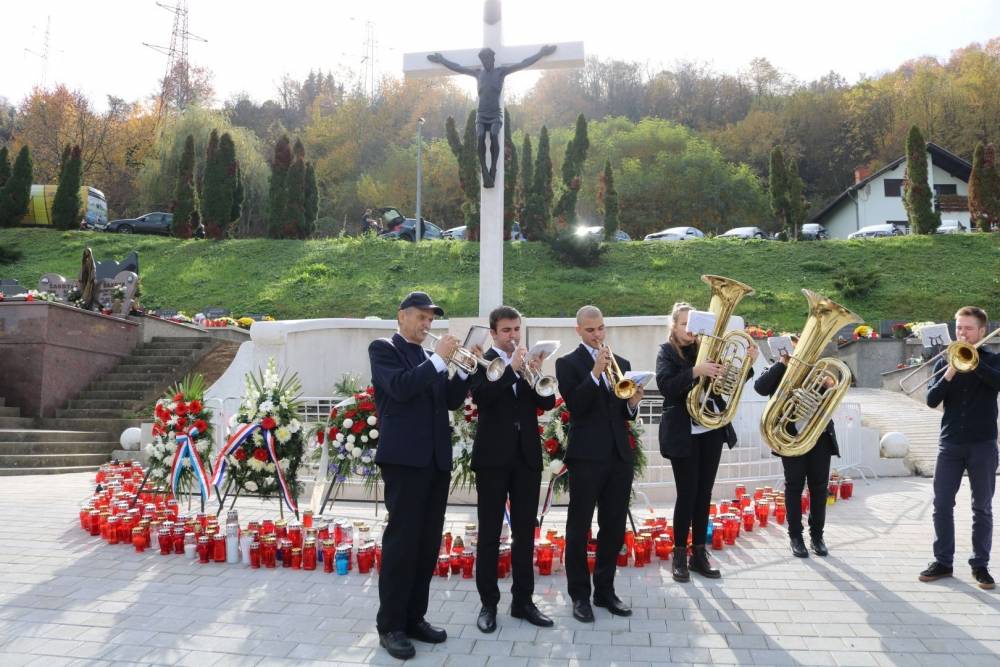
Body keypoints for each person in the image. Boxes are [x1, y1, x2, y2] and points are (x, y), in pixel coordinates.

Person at [369, 291, 475, 659]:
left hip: (435, 460)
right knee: (402, 543)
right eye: (421, 317)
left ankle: (415, 617)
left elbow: (449, 400)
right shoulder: (384, 349)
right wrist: (439, 359)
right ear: (401, 316)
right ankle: (391, 625)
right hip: (404, 459)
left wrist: (462, 369)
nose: (427, 324)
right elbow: (399, 389)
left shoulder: (430, 358)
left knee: (428, 543)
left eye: (431, 320)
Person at [469, 306, 556, 633]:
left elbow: (547, 404)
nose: (513, 336)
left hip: (527, 458)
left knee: (524, 535)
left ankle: (523, 601)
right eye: (506, 330)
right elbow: (481, 397)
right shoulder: (481, 359)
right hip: (493, 458)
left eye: (516, 329)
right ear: (494, 333)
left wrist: (535, 371)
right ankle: (488, 604)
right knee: (490, 534)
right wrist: (510, 371)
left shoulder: (526, 362)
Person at [656, 302, 757, 582]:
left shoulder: (710, 347)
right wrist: (696, 371)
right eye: (683, 324)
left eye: (693, 324)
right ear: (674, 327)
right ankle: (679, 554)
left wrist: (748, 362)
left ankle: (698, 553)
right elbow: (666, 386)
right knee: (686, 495)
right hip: (683, 432)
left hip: (711, 429)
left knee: (704, 494)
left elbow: (734, 380)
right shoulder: (666, 351)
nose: (689, 330)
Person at [555, 305, 644, 623]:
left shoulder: (622, 364)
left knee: (614, 526)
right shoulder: (567, 363)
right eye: (590, 330)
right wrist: (594, 372)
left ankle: (605, 590)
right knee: (578, 527)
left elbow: (624, 414)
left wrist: (633, 404)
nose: (597, 335)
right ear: (578, 330)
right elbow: (576, 407)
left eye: (601, 328)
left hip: (618, 456)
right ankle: (579, 595)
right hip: (586, 456)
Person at [920, 306, 1000, 590]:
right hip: (950, 443)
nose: (961, 333)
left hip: (983, 443)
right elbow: (931, 400)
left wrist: (974, 363)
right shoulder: (944, 362)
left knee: (982, 508)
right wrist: (950, 373)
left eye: (967, 328)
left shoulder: (994, 359)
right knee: (941, 505)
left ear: (981, 331)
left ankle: (980, 565)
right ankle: (943, 561)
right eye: (958, 328)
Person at [754, 335, 839, 558]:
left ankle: (817, 536)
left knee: (819, 488)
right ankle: (795, 536)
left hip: (818, 436)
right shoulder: (778, 368)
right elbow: (760, 388)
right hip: (790, 437)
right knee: (794, 486)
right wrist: (782, 364)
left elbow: (832, 399)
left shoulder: (819, 370)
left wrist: (828, 386)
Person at [427, 45, 556, 188]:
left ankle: (493, 168)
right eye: (483, 60)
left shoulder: (501, 72)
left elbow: (524, 62)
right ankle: (484, 169)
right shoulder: (478, 74)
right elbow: (457, 67)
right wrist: (442, 59)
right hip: (481, 114)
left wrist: (541, 53)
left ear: (493, 58)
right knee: (481, 136)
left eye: (487, 59)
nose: (485, 62)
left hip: (495, 114)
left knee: (494, 135)